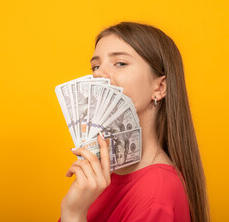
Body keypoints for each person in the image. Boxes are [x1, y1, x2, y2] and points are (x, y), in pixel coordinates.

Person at [58, 22, 210, 222]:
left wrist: (74, 214)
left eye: (120, 63)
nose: (98, 75)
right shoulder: (99, 180)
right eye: (95, 66)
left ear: (159, 87)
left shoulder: (157, 193)